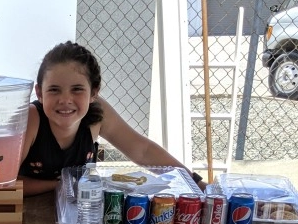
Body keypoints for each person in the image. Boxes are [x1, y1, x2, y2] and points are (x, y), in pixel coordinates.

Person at [18, 41, 206, 196]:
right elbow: (3, 183)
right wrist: (60, 185)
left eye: (77, 89)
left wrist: (194, 181)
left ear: (94, 92)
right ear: (39, 93)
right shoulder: (31, 119)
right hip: (27, 215)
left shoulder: (97, 114)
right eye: (54, 89)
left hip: (79, 216)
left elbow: (143, 151)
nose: (65, 100)